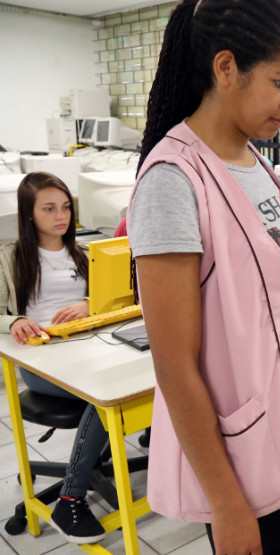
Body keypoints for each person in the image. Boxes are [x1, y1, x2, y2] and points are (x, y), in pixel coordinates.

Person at [127, 1, 280, 552]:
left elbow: (261, 301)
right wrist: (225, 502)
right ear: (226, 68)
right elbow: (175, 366)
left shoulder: (254, 160)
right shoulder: (173, 180)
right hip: (250, 462)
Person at [0, 172, 108, 544]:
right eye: (49, 209)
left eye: (65, 207)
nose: (61, 216)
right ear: (28, 214)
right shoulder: (10, 256)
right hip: (42, 360)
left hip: (90, 348)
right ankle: (70, 499)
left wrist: (90, 303)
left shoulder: (85, 252)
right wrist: (15, 320)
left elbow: (114, 297)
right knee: (103, 396)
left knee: (133, 382)